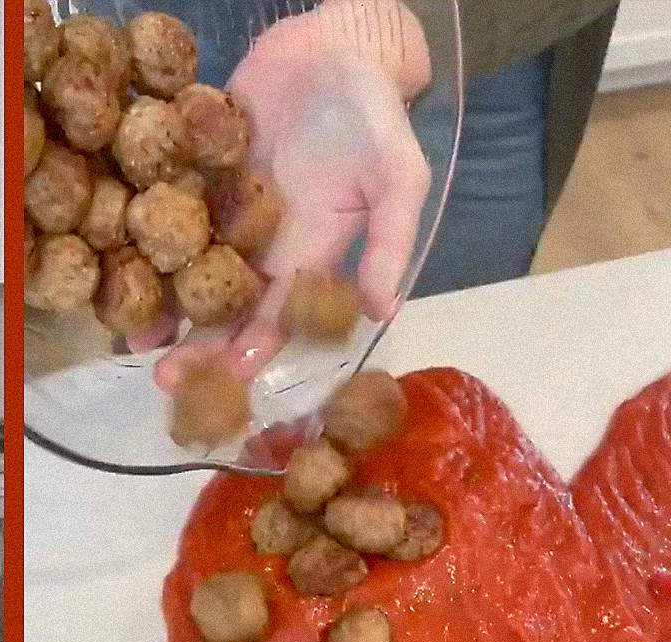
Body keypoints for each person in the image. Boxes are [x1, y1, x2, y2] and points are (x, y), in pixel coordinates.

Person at [127, 0, 620, 386]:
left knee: (435, 363)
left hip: (481, 42)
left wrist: (400, 24)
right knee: (168, 354)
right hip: (187, 23)